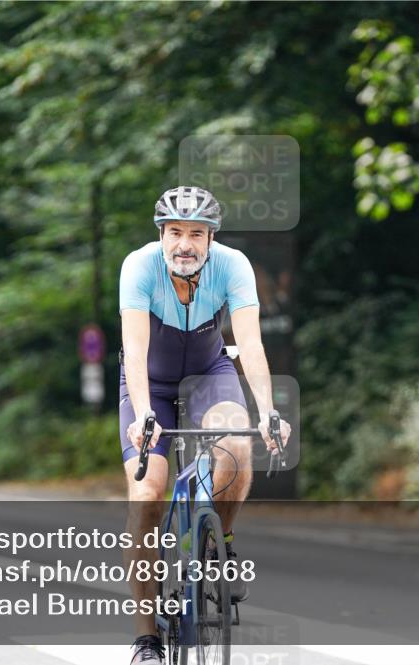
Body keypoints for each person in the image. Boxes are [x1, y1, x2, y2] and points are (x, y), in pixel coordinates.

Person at [119, 186, 291, 664]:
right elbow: (134, 350)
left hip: (208, 374)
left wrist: (268, 410)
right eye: (175, 232)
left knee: (237, 449)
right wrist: (142, 414)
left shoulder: (233, 266)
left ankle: (220, 545)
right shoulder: (139, 266)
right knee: (148, 494)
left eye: (196, 233)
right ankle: (146, 638)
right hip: (147, 382)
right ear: (161, 235)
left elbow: (250, 346)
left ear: (212, 238)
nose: (185, 244)